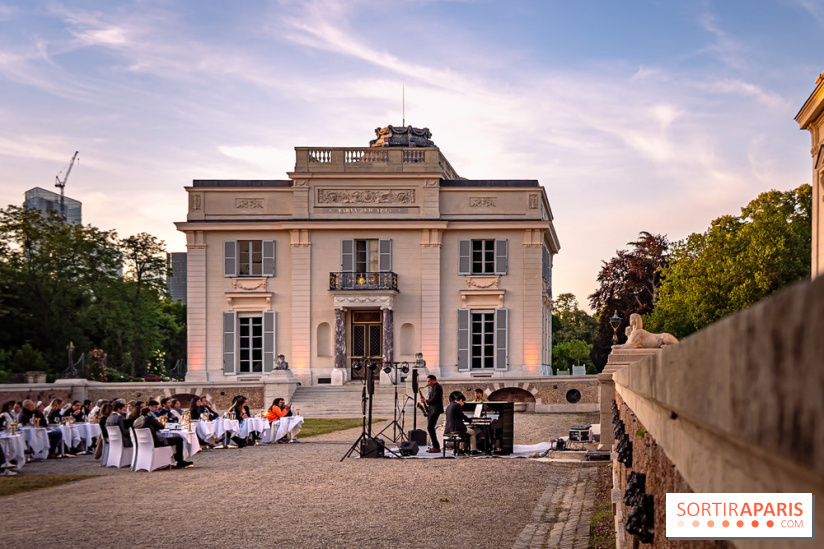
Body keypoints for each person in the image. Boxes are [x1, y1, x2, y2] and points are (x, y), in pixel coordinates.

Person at [421, 375, 444, 453]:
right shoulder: (434, 387)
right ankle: (435, 446)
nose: (428, 383)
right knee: (430, 427)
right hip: (432, 410)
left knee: (430, 427)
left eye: (429, 381)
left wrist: (426, 401)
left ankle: (436, 446)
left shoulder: (437, 387)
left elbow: (435, 399)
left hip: (435, 410)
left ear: (434, 380)